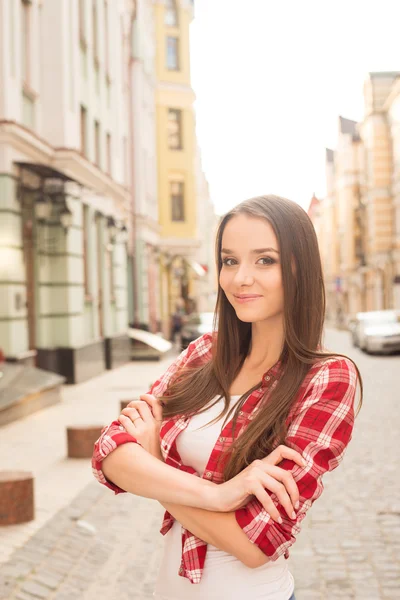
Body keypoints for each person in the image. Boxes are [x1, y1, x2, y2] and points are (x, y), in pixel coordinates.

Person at [92, 194, 363, 600]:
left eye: (265, 260)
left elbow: (256, 544)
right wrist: (219, 496)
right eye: (230, 260)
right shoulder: (206, 352)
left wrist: (155, 465)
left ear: (299, 269)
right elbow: (109, 452)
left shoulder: (328, 378)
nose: (240, 278)